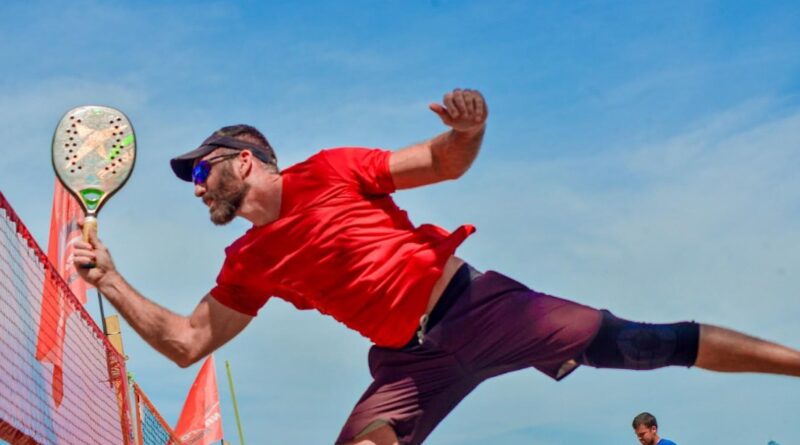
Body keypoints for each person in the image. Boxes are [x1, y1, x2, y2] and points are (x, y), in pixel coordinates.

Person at [72, 88, 800, 445]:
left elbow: (440, 162)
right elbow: (186, 341)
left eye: (201, 174)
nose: (197, 189)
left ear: (242, 159)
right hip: (408, 363)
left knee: (643, 344)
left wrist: (467, 131)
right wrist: (109, 277)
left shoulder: (329, 170)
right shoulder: (247, 261)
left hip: (477, 307)